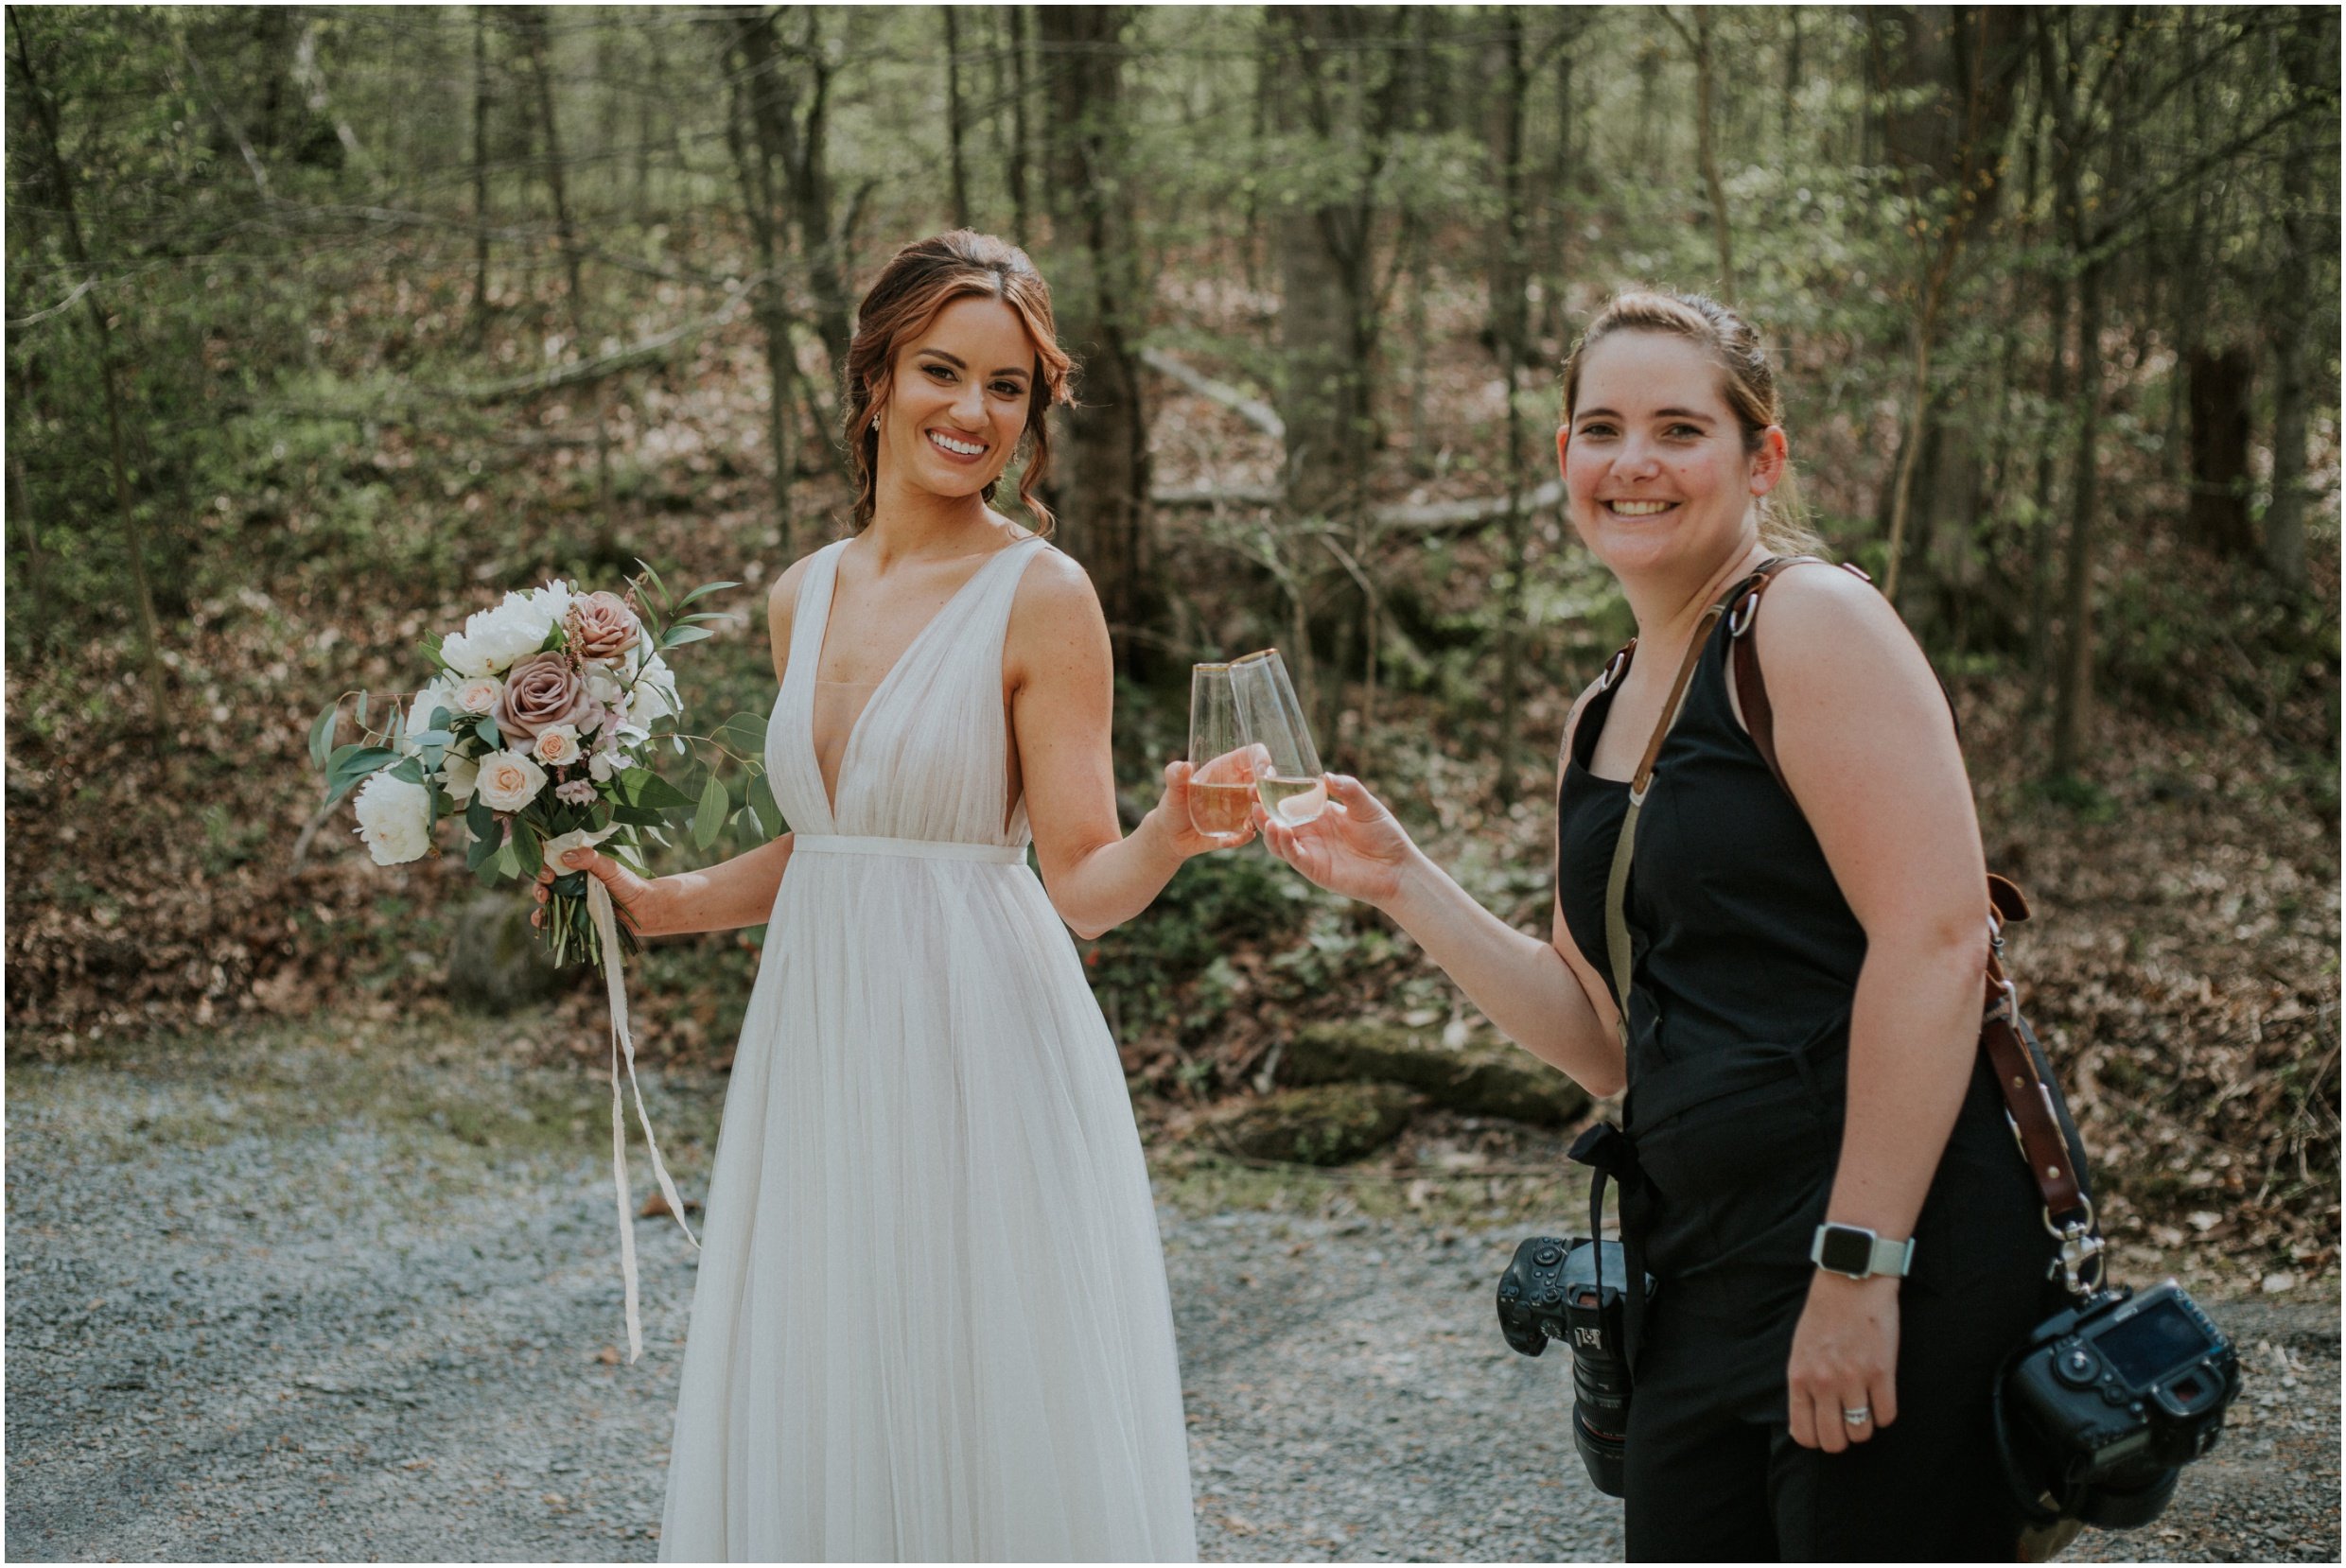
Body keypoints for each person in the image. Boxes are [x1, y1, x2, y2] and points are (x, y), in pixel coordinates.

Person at [1254, 289, 2060, 1560]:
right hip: (1695, 1268)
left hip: (1890, 1243)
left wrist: (1859, 1268)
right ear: (1562, 456)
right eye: (1601, 427)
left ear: (1762, 457)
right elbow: (1605, 1040)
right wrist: (1401, 876)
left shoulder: (1808, 624)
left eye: (1680, 428)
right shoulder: (1601, 710)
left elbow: (1939, 940)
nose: (1633, 463)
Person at [540, 231, 1233, 1560]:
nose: (972, 411)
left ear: (1034, 411)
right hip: (820, 1041)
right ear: (874, 381)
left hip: (984, 1050)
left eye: (1008, 387)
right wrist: (657, 897)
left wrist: (1176, 831)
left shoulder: (1045, 596)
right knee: (831, 1367)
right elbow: (835, 841)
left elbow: (1082, 881)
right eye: (940, 371)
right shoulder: (804, 593)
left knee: (979, 1382)